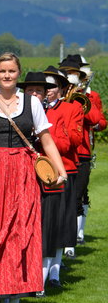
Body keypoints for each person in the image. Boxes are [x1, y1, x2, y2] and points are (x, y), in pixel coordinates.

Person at [0, 53, 67, 303]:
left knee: (22, 230)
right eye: (2, 71)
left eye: (11, 71)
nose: (7, 75)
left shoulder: (31, 103)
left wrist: (60, 170)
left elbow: (46, 139)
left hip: (22, 170)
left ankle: (17, 294)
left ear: (18, 73)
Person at [19, 72, 68, 297]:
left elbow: (67, 144)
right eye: (30, 91)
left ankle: (42, 279)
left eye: (39, 91)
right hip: (22, 177)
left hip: (49, 178)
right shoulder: (17, 113)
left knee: (47, 229)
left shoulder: (57, 113)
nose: (35, 95)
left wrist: (41, 135)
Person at [59, 56, 106, 258]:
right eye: (67, 72)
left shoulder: (89, 95)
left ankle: (73, 240)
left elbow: (97, 120)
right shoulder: (56, 93)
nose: (70, 76)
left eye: (73, 73)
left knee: (77, 196)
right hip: (60, 151)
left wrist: (81, 97)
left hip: (82, 151)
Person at [43, 65, 83, 287]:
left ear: (60, 89)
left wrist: (45, 137)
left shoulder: (71, 109)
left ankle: (55, 272)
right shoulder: (33, 107)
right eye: (44, 87)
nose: (48, 91)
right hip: (36, 173)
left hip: (62, 171)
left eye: (52, 87)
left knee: (58, 224)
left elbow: (74, 141)